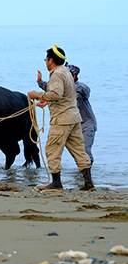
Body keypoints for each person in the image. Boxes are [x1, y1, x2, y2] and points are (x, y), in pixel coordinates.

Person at [28, 45, 94, 191]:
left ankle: (56, 183)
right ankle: (89, 183)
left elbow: (56, 95)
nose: (45, 62)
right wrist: (47, 99)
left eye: (46, 59)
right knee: (79, 151)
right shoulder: (66, 71)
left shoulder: (57, 73)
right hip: (74, 118)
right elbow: (63, 94)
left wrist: (36, 95)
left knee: (52, 150)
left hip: (62, 120)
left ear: (51, 60)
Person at [37, 63, 97, 164]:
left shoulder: (81, 88)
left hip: (86, 124)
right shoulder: (62, 88)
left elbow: (81, 92)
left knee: (84, 151)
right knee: (74, 152)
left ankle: (87, 175)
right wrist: (39, 82)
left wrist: (50, 98)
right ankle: (81, 176)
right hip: (69, 122)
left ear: (73, 77)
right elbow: (50, 89)